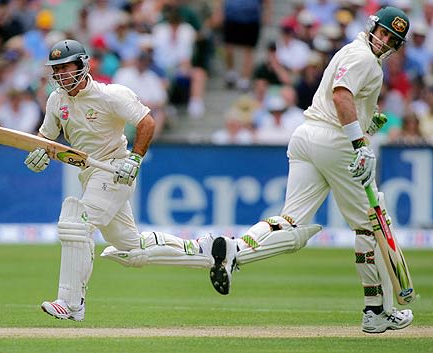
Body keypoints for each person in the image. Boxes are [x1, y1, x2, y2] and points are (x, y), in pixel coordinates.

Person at [22, 39, 317, 321]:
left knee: (76, 222)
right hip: (91, 174)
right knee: (130, 249)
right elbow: (46, 138)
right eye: (56, 69)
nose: (60, 74)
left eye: (66, 68)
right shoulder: (56, 100)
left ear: (82, 66)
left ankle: (71, 303)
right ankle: (210, 252)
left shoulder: (111, 95)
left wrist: (134, 159)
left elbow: (146, 122)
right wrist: (40, 152)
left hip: (114, 170)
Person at [208, 6, 414, 334]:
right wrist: (359, 143)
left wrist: (366, 120)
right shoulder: (364, 58)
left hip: (305, 136)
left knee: (291, 222)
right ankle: (376, 310)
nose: (384, 40)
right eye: (384, 32)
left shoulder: (352, 51)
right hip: (334, 141)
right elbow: (341, 95)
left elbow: (348, 97)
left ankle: (237, 250)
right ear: (372, 26)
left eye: (393, 39)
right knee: (369, 227)